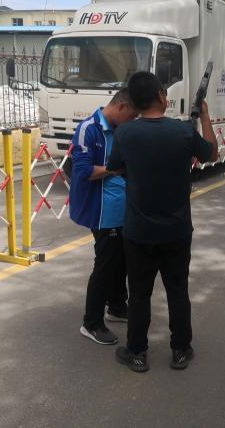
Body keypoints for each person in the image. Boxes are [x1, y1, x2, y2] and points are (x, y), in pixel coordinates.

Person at [108, 72, 218, 372]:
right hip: (176, 231)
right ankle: (181, 349)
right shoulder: (182, 132)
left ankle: (137, 352)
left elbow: (114, 168)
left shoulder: (125, 134)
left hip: (138, 232)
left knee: (139, 294)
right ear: (160, 96)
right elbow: (212, 153)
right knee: (177, 291)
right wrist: (205, 115)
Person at [69, 89, 138, 345]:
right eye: (131, 116)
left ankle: (117, 306)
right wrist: (114, 169)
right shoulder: (89, 129)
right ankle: (91, 323)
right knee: (106, 265)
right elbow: (83, 171)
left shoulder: (121, 129)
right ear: (121, 106)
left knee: (122, 261)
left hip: (122, 209)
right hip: (102, 212)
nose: (132, 121)